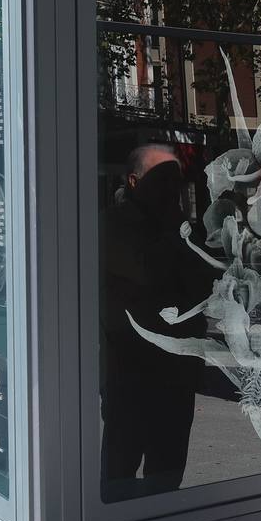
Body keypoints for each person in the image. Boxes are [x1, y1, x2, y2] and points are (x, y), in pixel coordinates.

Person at [99, 144, 217, 500]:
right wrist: (172, 230)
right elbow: (144, 272)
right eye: (160, 178)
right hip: (128, 372)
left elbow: (203, 282)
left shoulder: (182, 226)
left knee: (167, 471)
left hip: (176, 373)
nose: (170, 188)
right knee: (120, 470)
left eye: (175, 179)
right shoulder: (113, 224)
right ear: (135, 181)